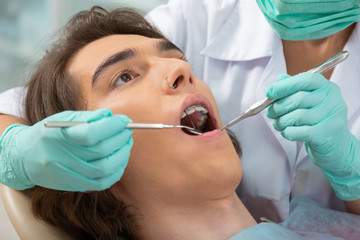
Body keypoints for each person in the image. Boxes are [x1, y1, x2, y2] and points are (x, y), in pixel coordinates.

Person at [0, 0, 360, 222]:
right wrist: (18, 152)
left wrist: (353, 171)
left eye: (180, 58)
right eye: (124, 76)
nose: (183, 70)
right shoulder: (205, 15)